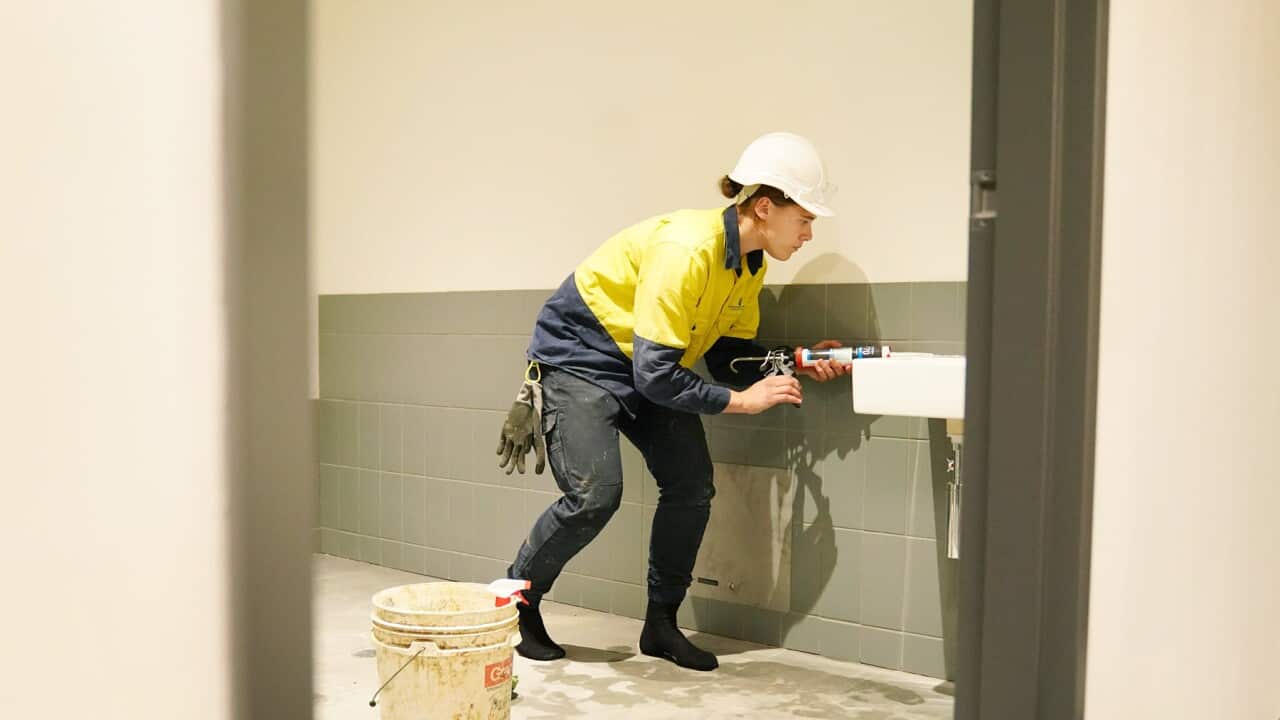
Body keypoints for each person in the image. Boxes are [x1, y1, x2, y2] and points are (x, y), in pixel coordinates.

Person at [494, 132, 849, 671]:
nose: (808, 234)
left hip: (645, 365)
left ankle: (660, 625)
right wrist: (743, 403)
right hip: (579, 360)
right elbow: (659, 375)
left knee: (691, 486)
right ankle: (514, 604)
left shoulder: (749, 264)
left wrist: (797, 359)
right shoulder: (686, 250)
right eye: (803, 219)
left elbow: (726, 357)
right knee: (595, 496)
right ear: (763, 207)